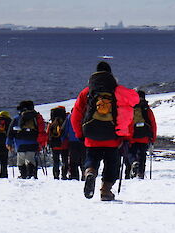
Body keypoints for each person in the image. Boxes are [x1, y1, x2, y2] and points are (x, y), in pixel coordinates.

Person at [71, 61, 139, 201]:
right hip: (112, 137)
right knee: (112, 163)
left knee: (92, 158)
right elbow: (127, 115)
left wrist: (79, 134)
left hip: (91, 135)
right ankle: (106, 191)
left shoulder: (87, 92)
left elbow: (76, 114)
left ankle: (90, 172)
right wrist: (126, 137)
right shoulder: (117, 91)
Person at [6, 100, 47, 179]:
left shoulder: (17, 118)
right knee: (31, 159)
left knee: (21, 160)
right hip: (34, 142)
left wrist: (8, 143)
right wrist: (42, 142)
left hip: (20, 143)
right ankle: (32, 175)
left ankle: (23, 175)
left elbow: (10, 132)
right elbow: (41, 130)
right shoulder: (36, 117)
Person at [128, 90, 157, 179]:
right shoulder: (147, 110)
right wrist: (153, 138)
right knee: (142, 154)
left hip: (132, 136)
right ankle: (140, 173)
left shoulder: (130, 108)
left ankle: (133, 162)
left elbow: (126, 122)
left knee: (131, 152)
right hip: (144, 136)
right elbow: (153, 124)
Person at [62, 110, 86, 181]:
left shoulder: (70, 117)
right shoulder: (85, 115)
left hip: (73, 141)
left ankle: (74, 176)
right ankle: (85, 174)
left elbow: (65, 129)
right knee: (84, 159)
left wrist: (63, 139)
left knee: (73, 160)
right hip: (84, 140)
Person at [47, 106, 69, 180]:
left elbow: (48, 133)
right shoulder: (65, 121)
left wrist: (48, 143)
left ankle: (56, 175)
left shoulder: (52, 123)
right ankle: (64, 175)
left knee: (56, 161)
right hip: (64, 144)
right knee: (65, 160)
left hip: (54, 144)